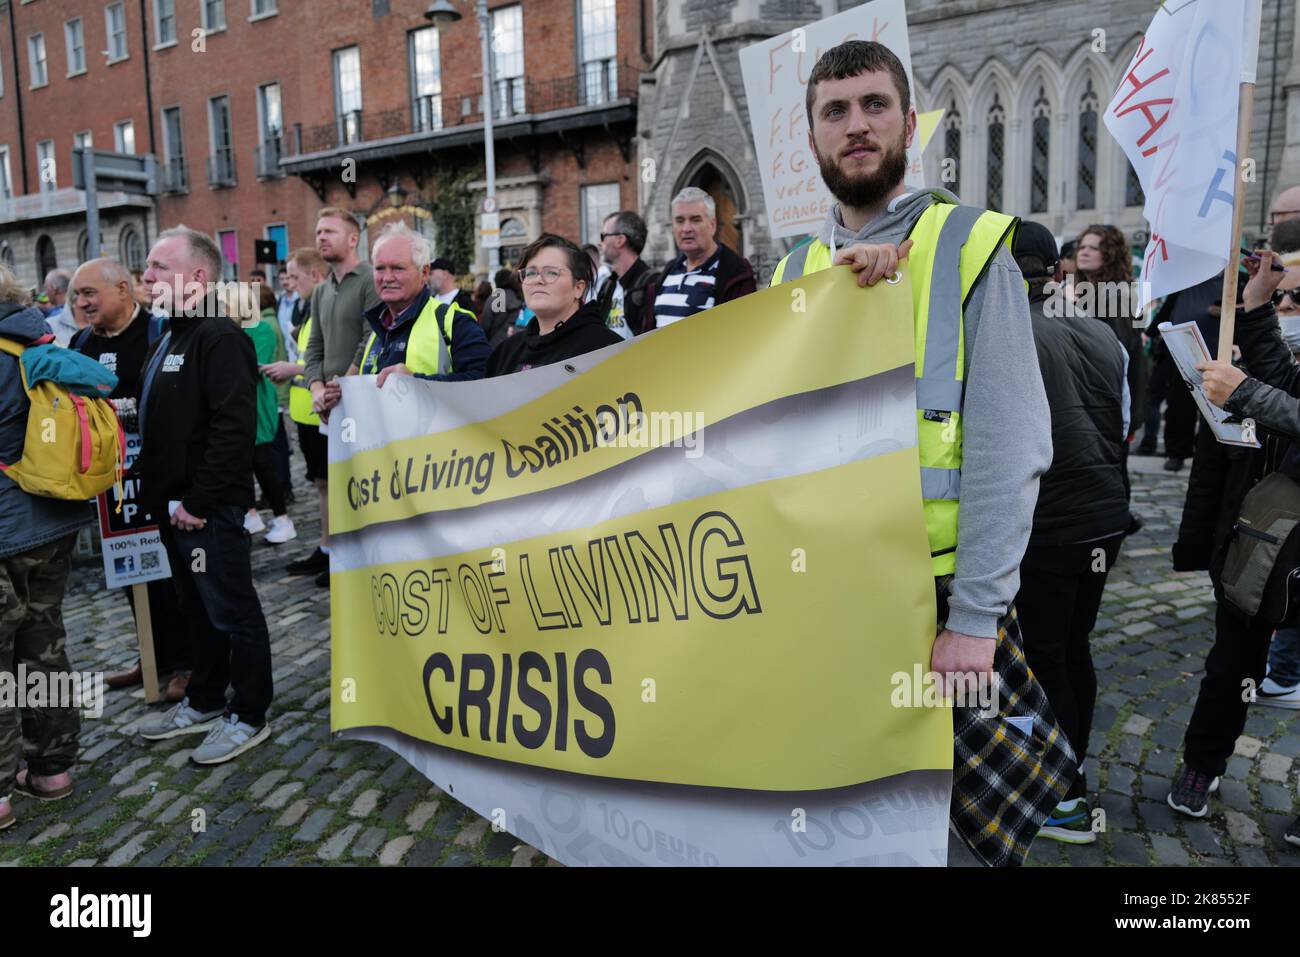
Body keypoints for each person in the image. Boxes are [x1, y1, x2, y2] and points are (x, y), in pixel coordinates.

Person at [768, 41, 1060, 866]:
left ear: (907, 123)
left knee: (953, 832)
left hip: (936, 604)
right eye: (835, 111)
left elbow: (1011, 448)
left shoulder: (973, 245)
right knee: (847, 805)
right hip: (825, 594)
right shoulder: (795, 267)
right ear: (814, 137)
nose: (855, 126)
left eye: (873, 106)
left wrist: (973, 619)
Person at [1165, 249, 1300, 834]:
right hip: (1266, 534)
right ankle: (1201, 763)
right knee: (1231, 663)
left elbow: (1272, 396)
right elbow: (1283, 379)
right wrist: (1257, 306)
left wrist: (1245, 394)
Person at [134, 226, 274, 764]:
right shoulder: (169, 334)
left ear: (196, 276)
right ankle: (207, 700)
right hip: (174, 510)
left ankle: (250, 712)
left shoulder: (220, 336)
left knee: (233, 612)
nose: (146, 276)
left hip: (207, 512)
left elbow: (232, 431)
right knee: (196, 612)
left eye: (158, 267)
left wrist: (199, 501)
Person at [1010, 223, 1130, 844]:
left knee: (1047, 654)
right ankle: (1072, 765)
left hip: (1052, 524)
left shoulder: (1005, 334)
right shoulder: (1104, 334)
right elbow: (1125, 423)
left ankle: (1063, 797)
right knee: (1074, 644)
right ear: (1055, 271)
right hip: (1105, 519)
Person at [68, 257, 191, 703]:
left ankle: (187, 661)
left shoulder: (160, 333)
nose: (81, 303)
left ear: (123, 290)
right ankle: (150, 653)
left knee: (170, 571)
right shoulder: (81, 341)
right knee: (129, 569)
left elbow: (174, 399)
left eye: (89, 294)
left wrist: (126, 412)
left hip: (156, 477)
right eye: (77, 295)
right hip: (109, 481)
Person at [0, 264, 90, 828]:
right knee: (42, 636)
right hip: (52, 515)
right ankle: (52, 769)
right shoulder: (34, 336)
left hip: (6, 522)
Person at [302, 208, 382, 586]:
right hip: (330, 403)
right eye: (318, 231)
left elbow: (372, 336)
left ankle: (368, 561)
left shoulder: (370, 279)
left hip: (359, 400)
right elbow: (313, 346)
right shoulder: (320, 290)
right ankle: (339, 555)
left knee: (363, 482)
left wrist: (343, 385)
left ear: (353, 238)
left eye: (330, 231)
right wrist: (317, 387)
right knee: (334, 482)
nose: (321, 237)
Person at [261, 248, 330, 577]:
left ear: (314, 275)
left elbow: (329, 364)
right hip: (306, 413)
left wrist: (293, 368)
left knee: (330, 486)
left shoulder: (325, 307)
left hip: (321, 412)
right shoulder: (309, 307)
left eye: (294, 276)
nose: (288, 284)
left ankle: (334, 550)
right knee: (320, 485)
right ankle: (326, 546)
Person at [358, 223, 490, 385]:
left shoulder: (455, 323)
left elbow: (485, 384)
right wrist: (343, 395)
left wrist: (416, 381)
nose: (387, 278)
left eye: (397, 268)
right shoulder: (376, 329)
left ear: (424, 272)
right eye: (380, 268)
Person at [486, 234, 623, 377]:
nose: (538, 280)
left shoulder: (607, 350)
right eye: (531, 273)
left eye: (551, 272)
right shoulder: (505, 353)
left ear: (578, 288)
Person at [229, 286, 296, 545]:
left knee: (264, 464)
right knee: (242, 464)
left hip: (257, 406)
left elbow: (252, 366)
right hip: (237, 407)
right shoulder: (236, 330)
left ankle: (282, 518)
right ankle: (251, 513)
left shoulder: (261, 330)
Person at [1075, 226, 1148, 461]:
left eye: (1094, 248)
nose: (1084, 252)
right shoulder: (1090, 293)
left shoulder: (1117, 295)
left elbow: (1116, 356)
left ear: (1111, 254)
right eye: (1082, 247)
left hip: (1109, 406)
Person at [645, 188, 756, 329]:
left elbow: (743, 333)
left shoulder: (736, 272)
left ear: (712, 225)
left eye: (695, 220)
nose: (686, 228)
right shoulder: (668, 272)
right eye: (679, 221)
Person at [1139, 275, 1216, 463]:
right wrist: (1149, 333)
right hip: (1178, 352)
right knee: (1178, 406)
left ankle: (1202, 449)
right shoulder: (1183, 283)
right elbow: (1167, 311)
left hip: (1212, 351)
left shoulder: (1228, 282)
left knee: (1212, 406)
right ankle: (1176, 452)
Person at [596, 210, 654, 339]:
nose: (599, 243)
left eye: (603, 236)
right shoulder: (608, 284)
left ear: (620, 240)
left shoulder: (651, 282)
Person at [480, 268, 523, 349]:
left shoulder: (492, 299)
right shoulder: (519, 299)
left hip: (494, 347)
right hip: (515, 344)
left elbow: (485, 326)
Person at [41, 269, 80, 346]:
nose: (45, 292)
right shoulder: (81, 312)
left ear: (53, 288)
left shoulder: (50, 323)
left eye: (46, 287)